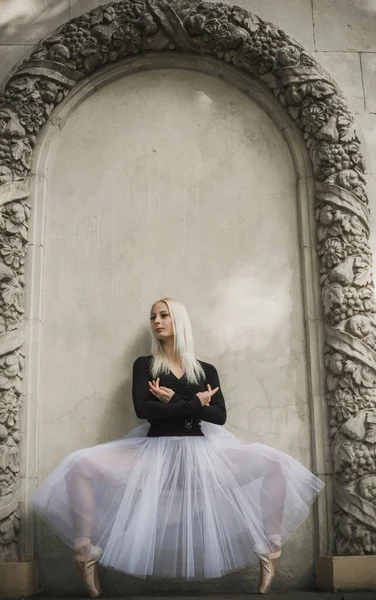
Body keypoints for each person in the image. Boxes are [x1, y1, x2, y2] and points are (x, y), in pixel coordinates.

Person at [33, 297, 324, 596]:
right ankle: (85, 552)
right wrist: (192, 404)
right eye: (153, 317)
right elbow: (144, 410)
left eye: (164, 315)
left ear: (178, 321)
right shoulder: (145, 366)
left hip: (201, 457)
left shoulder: (205, 370)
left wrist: (175, 401)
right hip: (154, 454)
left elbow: (219, 416)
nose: (156, 321)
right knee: (80, 465)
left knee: (274, 463)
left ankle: (271, 548)